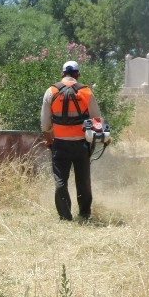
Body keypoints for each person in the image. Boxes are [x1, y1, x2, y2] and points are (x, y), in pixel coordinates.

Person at [40, 60, 105, 222]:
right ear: (78, 74)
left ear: (63, 74)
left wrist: (49, 139)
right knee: (83, 180)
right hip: (82, 144)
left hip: (60, 143)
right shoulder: (86, 92)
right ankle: (84, 214)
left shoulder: (51, 91)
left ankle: (65, 215)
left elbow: (45, 123)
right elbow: (96, 119)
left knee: (60, 180)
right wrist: (102, 137)